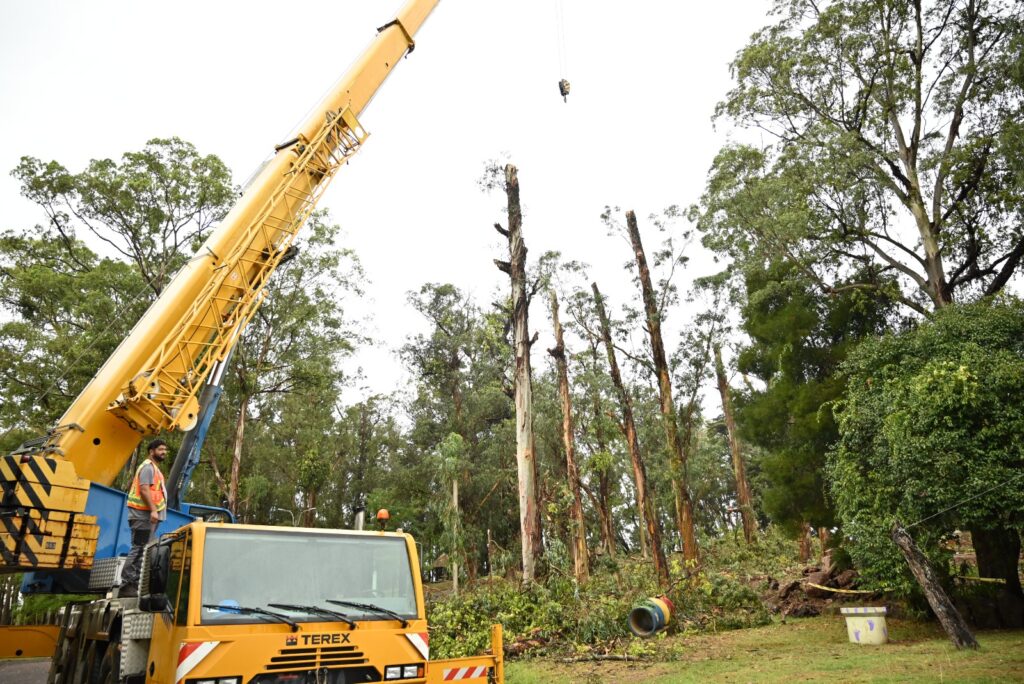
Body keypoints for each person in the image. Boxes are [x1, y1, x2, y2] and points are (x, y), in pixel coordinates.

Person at [119, 439, 169, 596]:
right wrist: (153, 510)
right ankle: (127, 585)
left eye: (165, 450)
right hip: (143, 515)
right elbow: (144, 489)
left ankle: (135, 585)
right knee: (139, 549)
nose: (164, 452)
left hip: (146, 516)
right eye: (160, 449)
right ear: (151, 451)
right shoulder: (148, 468)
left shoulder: (154, 468)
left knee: (143, 550)